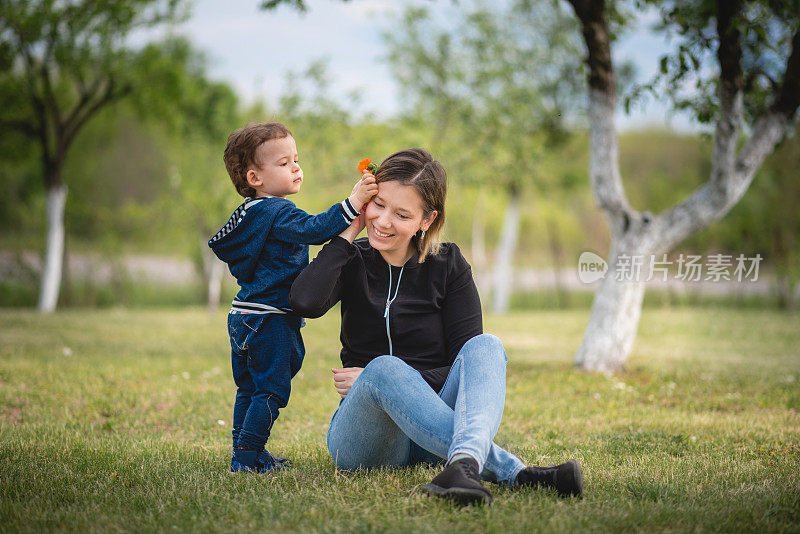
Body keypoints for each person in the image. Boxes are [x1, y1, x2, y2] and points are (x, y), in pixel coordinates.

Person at [289, 148, 583, 505]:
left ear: (426, 221)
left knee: (486, 346)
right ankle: (516, 473)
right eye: (377, 204)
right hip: (367, 444)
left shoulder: (448, 265)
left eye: (402, 214)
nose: (382, 222)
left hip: (432, 437)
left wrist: (386, 378)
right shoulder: (352, 259)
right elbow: (304, 301)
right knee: (384, 369)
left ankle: (462, 465)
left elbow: (467, 363)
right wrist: (349, 229)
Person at [208, 122, 377, 473]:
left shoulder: (249, 214)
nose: (296, 167)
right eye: (284, 163)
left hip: (243, 316)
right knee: (271, 391)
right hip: (270, 318)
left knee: (249, 388)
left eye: (296, 159)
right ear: (255, 177)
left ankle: (247, 453)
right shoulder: (277, 212)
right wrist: (353, 202)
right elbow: (314, 229)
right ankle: (246, 455)